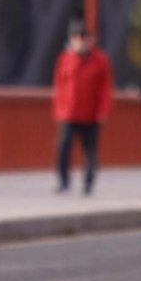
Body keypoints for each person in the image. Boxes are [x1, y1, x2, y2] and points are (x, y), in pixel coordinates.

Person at [52, 19, 114, 195]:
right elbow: (60, 86)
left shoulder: (101, 61)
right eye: (78, 38)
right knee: (63, 148)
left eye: (85, 38)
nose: (81, 42)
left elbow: (106, 89)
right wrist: (59, 110)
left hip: (91, 115)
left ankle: (88, 183)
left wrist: (103, 111)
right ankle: (64, 182)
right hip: (69, 114)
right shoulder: (65, 59)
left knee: (90, 152)